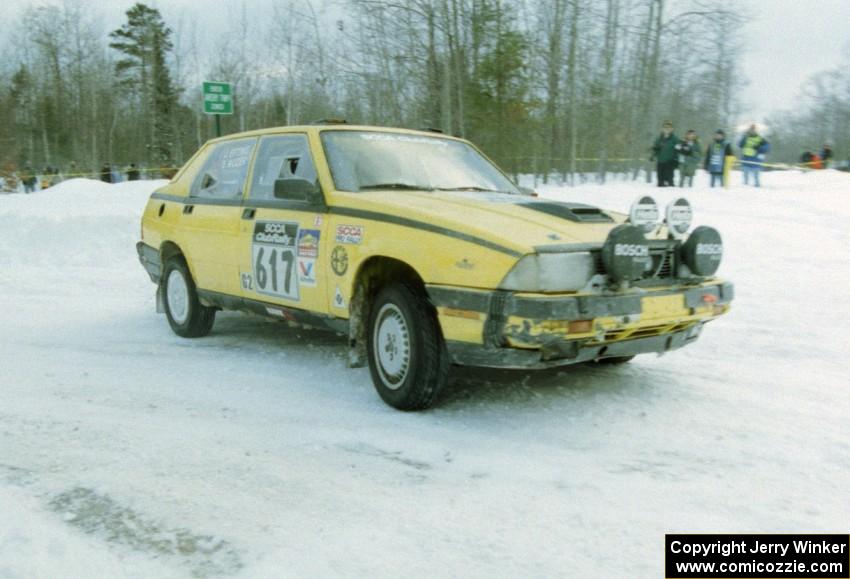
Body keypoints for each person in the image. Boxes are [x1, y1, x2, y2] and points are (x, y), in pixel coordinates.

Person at [650, 120, 680, 187]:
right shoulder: (659, 138)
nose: (667, 129)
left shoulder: (675, 139)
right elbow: (656, 148)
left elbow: (678, 150)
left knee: (669, 181)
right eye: (665, 127)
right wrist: (652, 156)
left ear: (672, 129)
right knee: (660, 181)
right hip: (660, 161)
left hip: (670, 162)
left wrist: (677, 159)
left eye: (669, 127)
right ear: (662, 128)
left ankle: (670, 193)